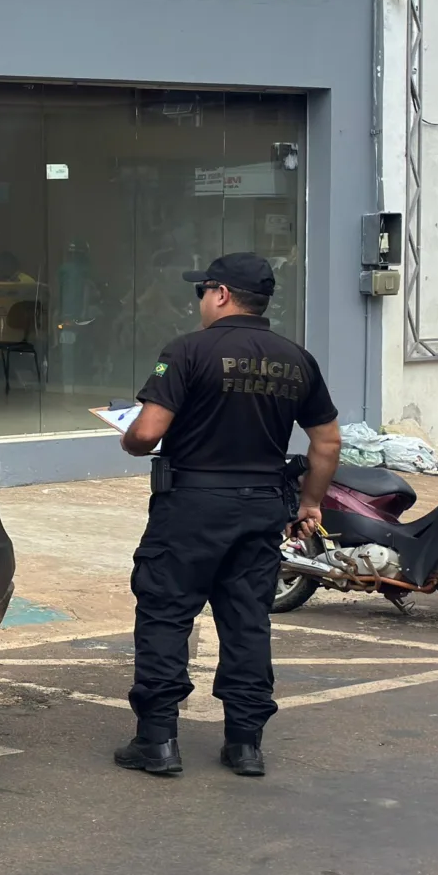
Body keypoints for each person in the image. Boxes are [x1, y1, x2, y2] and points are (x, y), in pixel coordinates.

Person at [113, 252, 340, 779]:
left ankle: (158, 742)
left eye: (202, 292)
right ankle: (245, 744)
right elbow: (327, 440)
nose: (200, 302)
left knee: (167, 614)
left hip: (191, 506)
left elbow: (147, 433)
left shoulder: (188, 351)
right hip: (263, 507)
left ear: (219, 294)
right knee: (246, 620)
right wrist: (309, 502)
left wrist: (129, 437)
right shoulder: (296, 359)